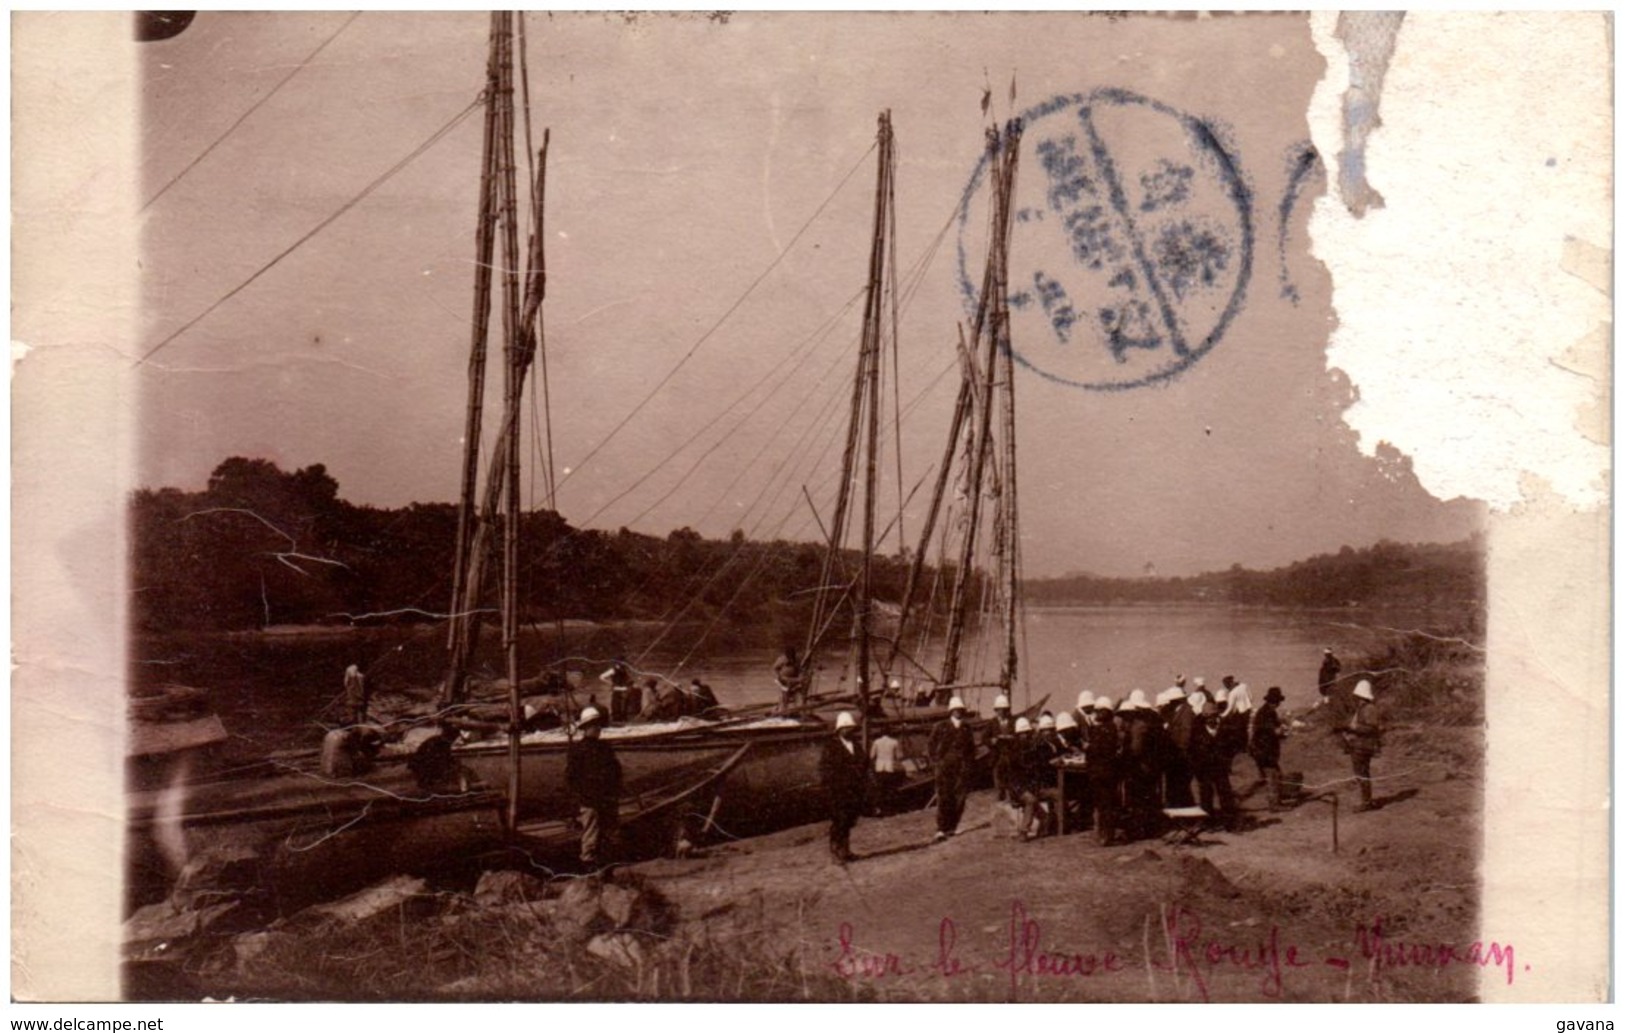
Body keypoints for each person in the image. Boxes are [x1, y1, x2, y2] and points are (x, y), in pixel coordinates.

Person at [565, 706, 622, 868]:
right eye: (593, 726)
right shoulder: (577, 750)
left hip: (606, 798)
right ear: (585, 728)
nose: (597, 729)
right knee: (591, 835)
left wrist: (615, 790)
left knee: (611, 834)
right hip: (589, 799)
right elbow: (571, 777)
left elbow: (616, 771)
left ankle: (609, 867)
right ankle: (589, 868)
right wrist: (579, 798)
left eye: (598, 725)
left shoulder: (605, 748)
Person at [819, 711, 869, 863]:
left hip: (853, 790)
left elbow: (864, 763)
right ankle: (835, 852)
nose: (850, 730)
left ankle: (846, 851)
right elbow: (825, 769)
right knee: (839, 821)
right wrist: (830, 787)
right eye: (846, 728)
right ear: (840, 730)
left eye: (851, 728)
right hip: (838, 791)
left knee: (849, 820)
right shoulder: (832, 747)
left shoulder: (856, 745)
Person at [928, 696, 977, 840]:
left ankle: (952, 827)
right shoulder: (941, 726)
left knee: (960, 797)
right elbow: (931, 744)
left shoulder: (967, 728)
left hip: (962, 767)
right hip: (944, 767)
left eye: (960, 710)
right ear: (951, 711)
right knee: (944, 796)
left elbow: (971, 748)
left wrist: (969, 764)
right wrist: (936, 761)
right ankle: (941, 828)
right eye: (955, 710)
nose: (958, 712)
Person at [1340, 680, 1384, 812]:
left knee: (1362, 773)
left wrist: (1354, 728)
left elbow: (1371, 729)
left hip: (1363, 745)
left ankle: (1366, 802)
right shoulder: (1364, 708)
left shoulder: (1369, 709)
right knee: (1360, 773)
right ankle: (1366, 800)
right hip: (1359, 744)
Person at [1086, 697, 1121, 845]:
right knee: (1103, 804)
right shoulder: (1104, 728)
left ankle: (1107, 835)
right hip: (1101, 771)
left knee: (1106, 804)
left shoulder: (1108, 729)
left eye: (1100, 711)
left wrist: (1089, 748)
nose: (1097, 714)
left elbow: (1101, 750)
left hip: (1104, 771)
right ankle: (1105, 833)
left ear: (1107, 712)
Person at [1249, 686, 1288, 810]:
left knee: (1274, 775)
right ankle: (1274, 804)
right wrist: (1282, 731)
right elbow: (1273, 731)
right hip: (1264, 751)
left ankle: (1276, 802)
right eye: (1277, 702)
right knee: (1273, 776)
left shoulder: (1266, 712)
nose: (1278, 704)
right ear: (1274, 701)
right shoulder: (1266, 713)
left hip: (1263, 750)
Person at [869, 727, 904, 816]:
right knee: (890, 789)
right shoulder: (894, 742)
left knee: (880, 789)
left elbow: (872, 756)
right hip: (889, 767)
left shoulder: (876, 742)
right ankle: (890, 810)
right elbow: (900, 756)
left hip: (879, 767)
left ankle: (880, 809)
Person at [988, 694, 1016, 803]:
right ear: (996, 710)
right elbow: (984, 737)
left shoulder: (1013, 721)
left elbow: (1018, 734)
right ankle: (1000, 794)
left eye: (1004, 710)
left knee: (1011, 774)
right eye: (1000, 710)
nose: (1002, 712)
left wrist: (1012, 738)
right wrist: (991, 741)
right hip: (997, 753)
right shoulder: (992, 722)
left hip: (1010, 752)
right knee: (998, 774)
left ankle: (1011, 796)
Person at [774, 646, 808, 712]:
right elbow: (775, 668)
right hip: (784, 681)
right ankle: (782, 711)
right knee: (784, 698)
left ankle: (798, 711)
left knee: (798, 697)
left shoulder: (797, 660)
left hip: (795, 681)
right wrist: (780, 676)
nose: (791, 658)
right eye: (789, 656)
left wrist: (801, 678)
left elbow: (801, 669)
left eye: (792, 656)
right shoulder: (782, 659)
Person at [599, 660, 633, 724]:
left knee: (624, 703)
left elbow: (627, 679)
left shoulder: (623, 670)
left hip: (623, 688)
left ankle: (623, 718)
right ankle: (617, 719)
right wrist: (610, 683)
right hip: (617, 689)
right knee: (616, 704)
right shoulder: (613, 670)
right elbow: (601, 677)